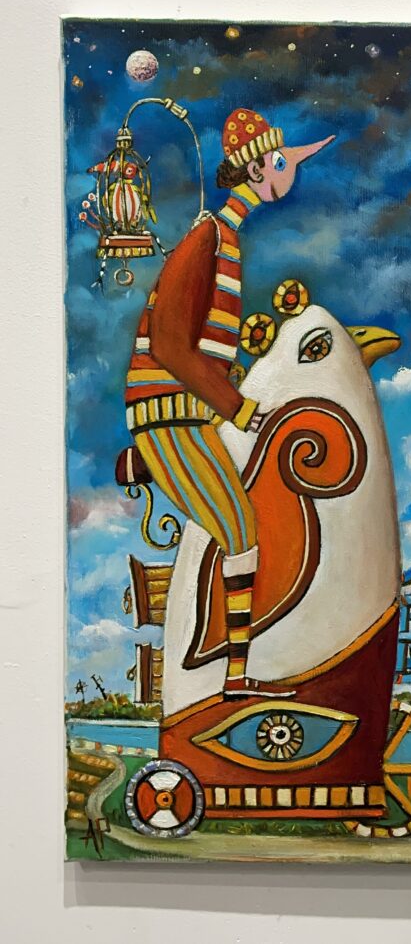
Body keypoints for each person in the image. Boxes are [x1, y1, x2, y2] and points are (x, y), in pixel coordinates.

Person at [123, 108, 334, 698]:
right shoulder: (207, 238)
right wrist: (236, 407)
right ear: (259, 168)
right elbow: (169, 345)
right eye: (284, 162)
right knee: (240, 528)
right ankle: (232, 679)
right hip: (167, 413)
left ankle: (234, 676)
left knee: (243, 526)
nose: (291, 172)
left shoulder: (228, 238)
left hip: (190, 415)